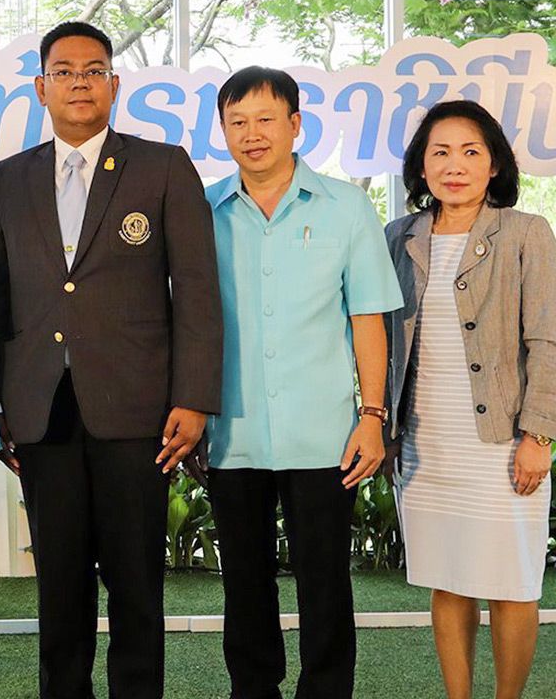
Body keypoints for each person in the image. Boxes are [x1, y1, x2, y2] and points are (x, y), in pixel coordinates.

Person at [0, 21, 223, 698]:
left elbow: (197, 288)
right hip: (41, 411)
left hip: (140, 410)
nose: (79, 81)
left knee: (136, 582)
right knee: (59, 584)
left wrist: (195, 396)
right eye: (64, 71)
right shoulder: (7, 180)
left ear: (114, 84)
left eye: (93, 70)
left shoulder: (162, 166)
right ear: (40, 87)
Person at [204, 66, 403, 699]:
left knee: (325, 581)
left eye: (266, 119)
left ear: (296, 125)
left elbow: (367, 317)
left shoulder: (345, 207)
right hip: (231, 431)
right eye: (237, 122)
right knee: (244, 580)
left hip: (326, 435)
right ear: (223, 131)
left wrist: (372, 417)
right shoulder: (202, 210)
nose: (252, 134)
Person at [385, 100, 556, 699]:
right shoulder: (398, 237)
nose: (454, 165)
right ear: (421, 167)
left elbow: (548, 337)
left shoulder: (526, 233)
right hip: (425, 444)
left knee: (512, 583)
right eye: (440, 152)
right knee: (448, 578)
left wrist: (539, 435)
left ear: (494, 165)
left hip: (503, 443)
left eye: (470, 151)